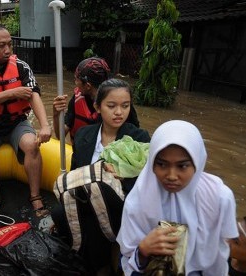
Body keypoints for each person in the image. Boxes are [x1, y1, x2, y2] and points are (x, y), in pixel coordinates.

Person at [52, 78, 150, 274]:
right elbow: (75, 173)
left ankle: (98, 266)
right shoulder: (83, 135)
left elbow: (144, 187)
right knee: (58, 212)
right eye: (111, 106)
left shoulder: (139, 139)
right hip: (84, 199)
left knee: (93, 223)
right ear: (98, 107)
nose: (119, 112)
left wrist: (123, 177)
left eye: (125, 106)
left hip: (119, 206)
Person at [117, 120, 238, 275]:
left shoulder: (218, 198)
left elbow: (220, 257)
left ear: (197, 163)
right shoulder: (139, 199)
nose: (172, 176)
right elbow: (127, 260)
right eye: (161, 164)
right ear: (152, 163)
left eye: (182, 166)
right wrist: (143, 249)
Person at [0, 24, 52, 216]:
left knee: (32, 146)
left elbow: (34, 95)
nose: (7, 50)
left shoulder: (21, 66)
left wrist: (45, 126)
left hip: (17, 123)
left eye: (10, 45)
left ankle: (35, 196)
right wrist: (11, 92)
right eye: (1, 45)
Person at [52, 57, 140, 143]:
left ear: (88, 86)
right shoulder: (77, 100)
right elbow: (60, 136)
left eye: (76, 79)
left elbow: (136, 137)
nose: (75, 83)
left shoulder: (121, 105)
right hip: (83, 151)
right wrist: (56, 115)